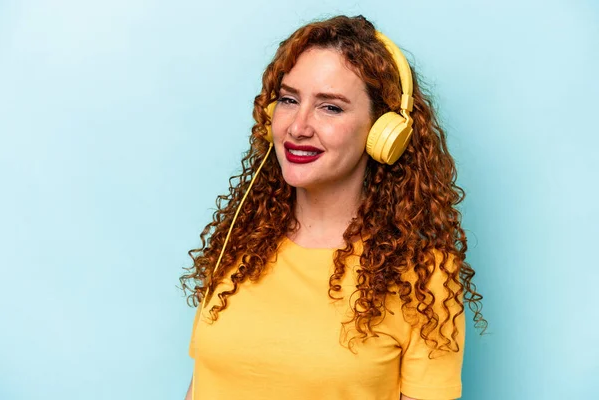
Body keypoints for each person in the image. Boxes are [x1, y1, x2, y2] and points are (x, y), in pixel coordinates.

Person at [180, 14, 486, 400]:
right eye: (289, 100)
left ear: (382, 133)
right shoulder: (240, 242)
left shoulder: (424, 278)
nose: (298, 126)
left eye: (331, 108)